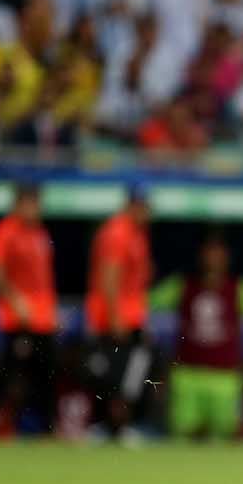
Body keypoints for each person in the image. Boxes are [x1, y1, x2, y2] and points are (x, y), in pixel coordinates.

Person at [150, 230, 243, 440]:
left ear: (226, 258)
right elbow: (146, 304)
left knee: (223, 436)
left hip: (225, 376)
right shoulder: (182, 285)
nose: (213, 259)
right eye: (209, 253)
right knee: (182, 433)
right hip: (187, 374)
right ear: (201, 256)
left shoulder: (241, 288)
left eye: (218, 254)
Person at [0, 183, 57, 433]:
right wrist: (16, 301)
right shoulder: (6, 231)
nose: (35, 207)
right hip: (17, 318)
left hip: (42, 318)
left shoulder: (39, 233)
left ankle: (46, 428)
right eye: (30, 202)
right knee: (6, 374)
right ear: (18, 204)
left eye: (37, 202)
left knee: (45, 376)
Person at [84, 183, 153, 437]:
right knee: (114, 377)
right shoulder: (118, 232)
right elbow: (109, 277)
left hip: (130, 316)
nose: (146, 211)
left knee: (129, 375)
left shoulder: (137, 234)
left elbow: (135, 283)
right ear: (130, 205)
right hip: (114, 318)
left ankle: (120, 427)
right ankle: (109, 427)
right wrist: (115, 317)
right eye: (141, 205)